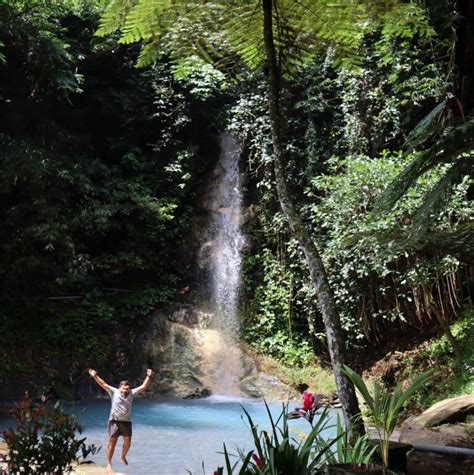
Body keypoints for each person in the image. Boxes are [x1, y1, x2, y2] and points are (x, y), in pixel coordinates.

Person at [88, 368, 154, 472]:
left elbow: (144, 386)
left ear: (129, 389)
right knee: (112, 443)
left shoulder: (132, 393)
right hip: (114, 421)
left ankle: (122, 456)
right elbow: (103, 384)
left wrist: (149, 376)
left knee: (127, 443)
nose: (125, 391)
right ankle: (109, 464)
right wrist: (95, 376)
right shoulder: (114, 392)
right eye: (123, 388)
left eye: (127, 389)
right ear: (119, 388)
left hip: (126, 422)